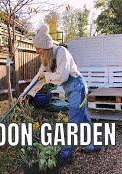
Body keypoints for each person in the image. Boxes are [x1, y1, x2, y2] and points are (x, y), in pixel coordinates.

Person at [19, 24, 100, 163]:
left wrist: (46, 76)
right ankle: (94, 145)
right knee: (84, 118)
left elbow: (62, 76)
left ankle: (67, 154)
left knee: (74, 120)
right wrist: (26, 94)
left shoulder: (62, 52)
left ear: (45, 47)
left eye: (38, 49)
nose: (37, 52)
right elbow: (38, 78)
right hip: (71, 90)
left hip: (78, 87)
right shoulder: (46, 59)